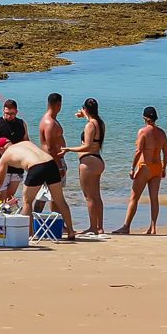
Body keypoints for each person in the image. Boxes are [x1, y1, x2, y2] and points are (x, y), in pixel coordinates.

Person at [0, 138, 75, 241]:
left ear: (0, 148)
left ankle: (30, 234)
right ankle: (71, 231)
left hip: (36, 167)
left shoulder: (5, 156)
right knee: (60, 200)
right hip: (51, 163)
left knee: (27, 202)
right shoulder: (26, 143)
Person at [113, 107, 167, 235]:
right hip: (157, 167)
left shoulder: (143, 132)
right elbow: (166, 152)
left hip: (145, 167)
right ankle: (153, 227)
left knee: (134, 198)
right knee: (154, 198)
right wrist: (164, 167)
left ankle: (126, 226)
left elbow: (138, 151)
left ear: (144, 118)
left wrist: (132, 168)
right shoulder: (162, 133)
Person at [62, 97, 106, 234]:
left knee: (89, 196)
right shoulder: (100, 123)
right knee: (97, 196)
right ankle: (99, 226)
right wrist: (85, 115)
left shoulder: (90, 125)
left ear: (85, 109)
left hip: (88, 162)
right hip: (98, 160)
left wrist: (69, 149)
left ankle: (93, 227)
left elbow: (86, 146)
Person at [0, 99, 27, 205]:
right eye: (6, 113)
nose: (9, 116)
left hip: (17, 166)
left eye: (12, 114)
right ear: (3, 111)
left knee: (10, 196)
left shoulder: (21, 123)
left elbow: (26, 142)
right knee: (0, 194)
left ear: (16, 112)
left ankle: (4, 213)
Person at [39, 92, 67, 190]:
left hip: (51, 160)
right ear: (59, 105)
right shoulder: (50, 123)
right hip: (53, 161)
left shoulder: (50, 120)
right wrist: (59, 166)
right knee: (55, 194)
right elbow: (50, 147)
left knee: (48, 195)